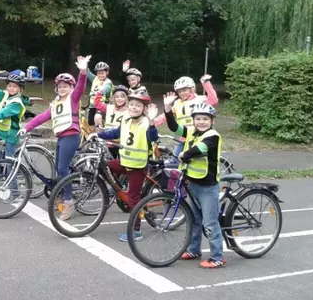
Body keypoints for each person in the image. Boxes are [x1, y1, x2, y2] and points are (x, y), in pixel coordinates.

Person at [20, 56, 91, 220]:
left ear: (71, 87)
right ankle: (60, 195)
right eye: (59, 86)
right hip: (61, 137)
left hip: (72, 136)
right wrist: (27, 128)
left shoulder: (73, 99)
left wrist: (82, 71)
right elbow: (42, 117)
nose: (62, 88)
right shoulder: (56, 103)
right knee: (60, 169)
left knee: (62, 169)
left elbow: (81, 86)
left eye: (65, 86)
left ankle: (68, 202)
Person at [163, 92, 226, 268]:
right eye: (198, 119)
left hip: (207, 186)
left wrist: (185, 153)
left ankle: (217, 257)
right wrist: (168, 109)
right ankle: (193, 249)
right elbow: (174, 127)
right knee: (194, 218)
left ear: (211, 121)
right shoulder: (192, 131)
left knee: (210, 222)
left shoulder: (212, 135)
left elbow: (201, 148)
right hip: (193, 182)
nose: (201, 122)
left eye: (205, 119)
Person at [88, 89, 159, 241]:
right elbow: (115, 133)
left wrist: (152, 122)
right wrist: (98, 134)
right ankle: (121, 192)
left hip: (137, 166)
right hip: (125, 161)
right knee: (105, 165)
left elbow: (153, 137)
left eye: (138, 106)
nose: (134, 108)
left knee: (133, 199)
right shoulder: (126, 120)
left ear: (144, 109)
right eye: (132, 105)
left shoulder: (146, 123)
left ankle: (136, 231)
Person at [154, 75, 218, 158]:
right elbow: (165, 116)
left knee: (195, 158)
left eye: (184, 90)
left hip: (199, 136)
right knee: (175, 157)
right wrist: (153, 122)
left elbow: (214, 100)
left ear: (192, 89)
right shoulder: (177, 103)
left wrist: (206, 83)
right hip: (184, 137)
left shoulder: (200, 100)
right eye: (179, 91)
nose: (182, 93)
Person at [93, 84, 130, 159]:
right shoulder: (109, 107)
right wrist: (101, 92)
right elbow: (97, 103)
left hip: (122, 143)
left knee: (121, 164)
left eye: (122, 97)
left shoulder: (130, 111)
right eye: (117, 97)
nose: (119, 99)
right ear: (113, 98)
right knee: (108, 163)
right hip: (109, 141)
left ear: (126, 98)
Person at [85, 61, 113, 126]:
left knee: (98, 119)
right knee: (90, 123)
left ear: (107, 73)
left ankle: (100, 133)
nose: (100, 75)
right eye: (99, 73)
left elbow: (106, 89)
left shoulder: (108, 82)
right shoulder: (95, 79)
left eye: (102, 73)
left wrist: (100, 92)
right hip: (92, 105)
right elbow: (88, 73)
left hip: (102, 106)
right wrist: (84, 65)